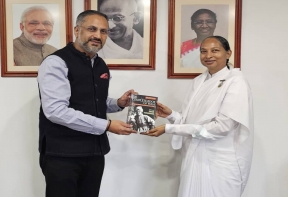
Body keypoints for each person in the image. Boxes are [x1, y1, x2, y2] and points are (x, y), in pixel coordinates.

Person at [37, 10, 137, 197]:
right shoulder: (56, 63)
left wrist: (119, 103)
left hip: (94, 152)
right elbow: (55, 111)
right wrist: (107, 125)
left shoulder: (100, 64)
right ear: (77, 30)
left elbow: (94, 101)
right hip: (62, 155)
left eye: (103, 31)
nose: (98, 36)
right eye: (92, 29)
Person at [144, 36, 253, 197]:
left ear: (228, 53)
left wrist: (169, 129)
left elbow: (221, 127)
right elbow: (189, 122)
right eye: (203, 51)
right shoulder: (199, 81)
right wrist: (171, 115)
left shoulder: (236, 82)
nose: (208, 55)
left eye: (215, 50)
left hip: (220, 161)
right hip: (194, 156)